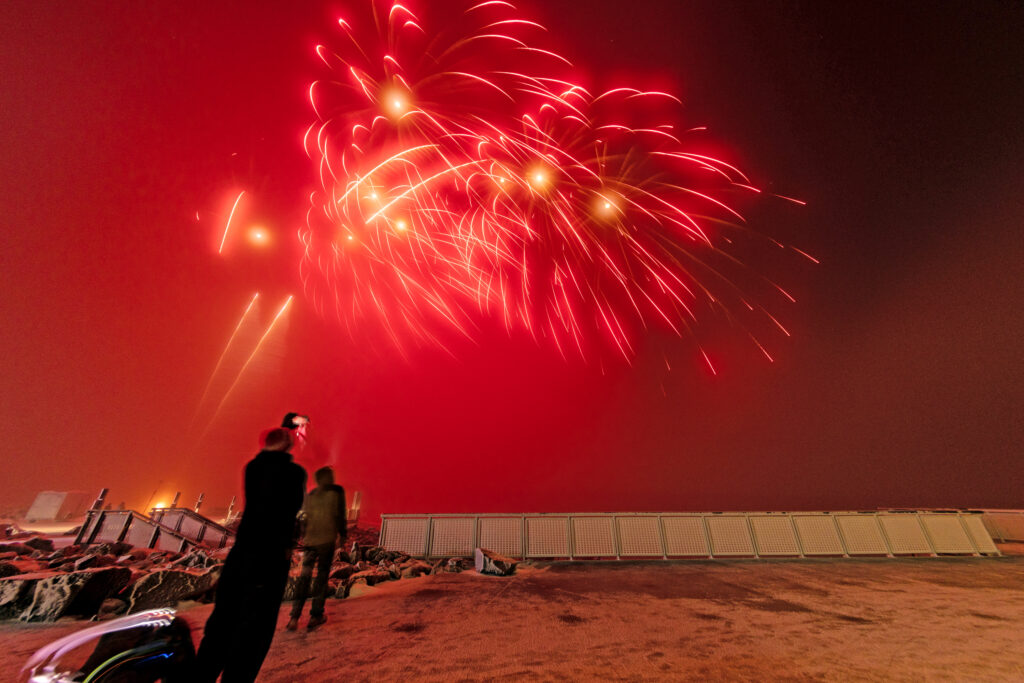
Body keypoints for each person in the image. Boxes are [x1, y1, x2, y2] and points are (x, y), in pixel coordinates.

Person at [195, 428, 306, 682]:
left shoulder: (252, 468)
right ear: (288, 445)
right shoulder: (293, 473)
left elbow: (271, 460)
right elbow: (293, 506)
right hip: (272, 557)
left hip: (242, 553)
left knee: (222, 623)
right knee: (255, 632)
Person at [287, 466, 347, 631]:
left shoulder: (312, 495)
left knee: (303, 578)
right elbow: (340, 515)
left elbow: (303, 518)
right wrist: (342, 535)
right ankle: (315, 615)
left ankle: (294, 617)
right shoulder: (337, 492)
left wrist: (298, 537)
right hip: (326, 542)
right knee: (321, 578)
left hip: (310, 542)